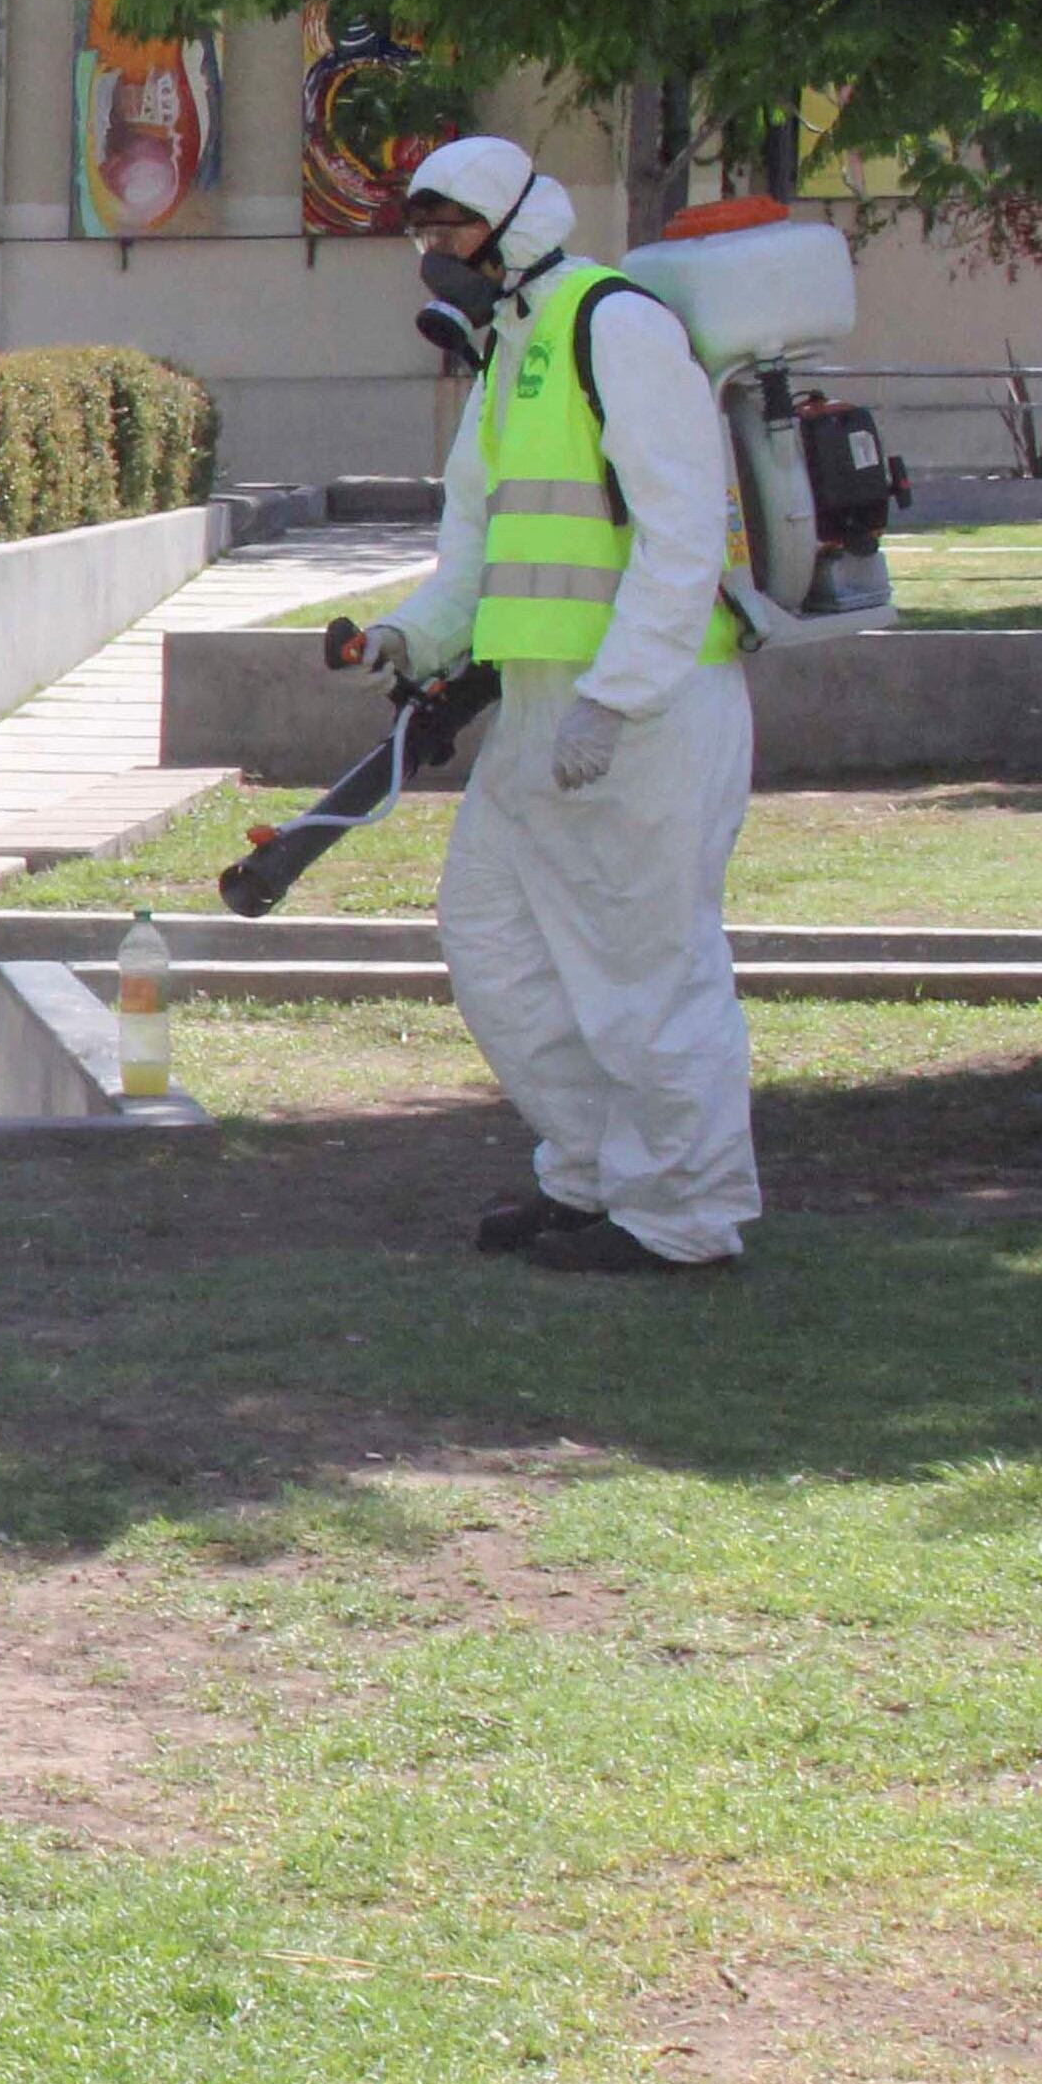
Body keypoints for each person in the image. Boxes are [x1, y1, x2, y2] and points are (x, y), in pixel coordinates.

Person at [357, 134, 759, 1273]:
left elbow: (682, 536)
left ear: (517, 222)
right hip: (540, 709)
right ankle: (592, 1173)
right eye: (424, 232)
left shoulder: (612, 325)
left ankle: (681, 1216)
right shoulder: (506, 351)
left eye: (453, 226)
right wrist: (408, 634)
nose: (437, 250)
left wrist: (613, 699)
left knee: (646, 967)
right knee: (496, 938)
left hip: (645, 710)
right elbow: (476, 548)